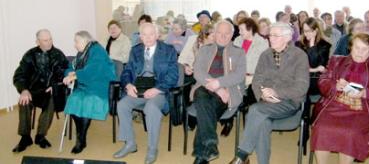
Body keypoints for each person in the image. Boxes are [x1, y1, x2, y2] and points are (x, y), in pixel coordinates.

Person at [229, 22, 310, 164]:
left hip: (290, 102)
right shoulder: (265, 55)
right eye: (270, 35)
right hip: (266, 102)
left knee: (254, 111)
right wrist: (263, 94)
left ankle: (242, 154)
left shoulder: (299, 56)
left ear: (287, 38)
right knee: (262, 121)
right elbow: (257, 81)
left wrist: (276, 92)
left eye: (275, 35)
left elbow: (301, 87)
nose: (270, 38)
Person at [311, 33, 369, 164]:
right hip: (335, 105)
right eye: (357, 48)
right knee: (321, 128)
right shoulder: (336, 61)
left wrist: (366, 93)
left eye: (364, 49)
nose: (360, 52)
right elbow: (323, 81)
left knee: (351, 132)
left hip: (363, 108)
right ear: (350, 48)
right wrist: (335, 85)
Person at [113, 23, 178, 164]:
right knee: (122, 105)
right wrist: (128, 85)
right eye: (144, 34)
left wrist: (157, 89)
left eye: (151, 34)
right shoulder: (135, 50)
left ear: (157, 35)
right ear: (140, 36)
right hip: (139, 88)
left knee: (151, 108)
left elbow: (173, 76)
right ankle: (130, 143)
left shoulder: (168, 50)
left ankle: (152, 148)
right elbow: (127, 71)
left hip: (159, 90)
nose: (148, 37)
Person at [190, 20, 246, 164]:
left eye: (227, 33)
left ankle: (202, 154)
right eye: (219, 33)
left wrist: (220, 84)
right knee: (201, 96)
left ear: (232, 35)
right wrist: (217, 87)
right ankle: (210, 143)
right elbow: (198, 71)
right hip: (205, 87)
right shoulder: (205, 49)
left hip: (227, 91)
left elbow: (239, 75)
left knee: (206, 110)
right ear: (214, 34)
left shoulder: (239, 52)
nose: (223, 36)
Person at [12, 29, 68, 152]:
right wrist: (24, 90)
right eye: (45, 40)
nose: (49, 43)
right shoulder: (30, 55)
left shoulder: (58, 55)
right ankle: (25, 137)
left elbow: (65, 75)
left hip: (50, 91)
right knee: (24, 101)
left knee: (52, 101)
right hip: (33, 91)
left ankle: (40, 136)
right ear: (38, 42)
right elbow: (19, 75)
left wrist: (55, 86)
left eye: (50, 39)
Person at [63, 31, 116, 154]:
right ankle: (80, 134)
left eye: (77, 41)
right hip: (84, 85)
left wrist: (75, 75)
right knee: (73, 101)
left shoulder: (97, 50)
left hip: (99, 85)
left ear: (85, 41)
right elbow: (71, 66)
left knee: (87, 103)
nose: (75, 45)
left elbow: (94, 69)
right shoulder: (82, 52)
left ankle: (81, 139)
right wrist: (69, 73)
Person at [295, 17, 331, 96]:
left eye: (308, 31)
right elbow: (297, 67)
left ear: (316, 30)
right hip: (299, 78)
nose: (306, 34)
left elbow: (316, 65)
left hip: (315, 80)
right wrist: (315, 69)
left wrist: (312, 45)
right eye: (304, 31)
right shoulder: (298, 44)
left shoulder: (325, 45)